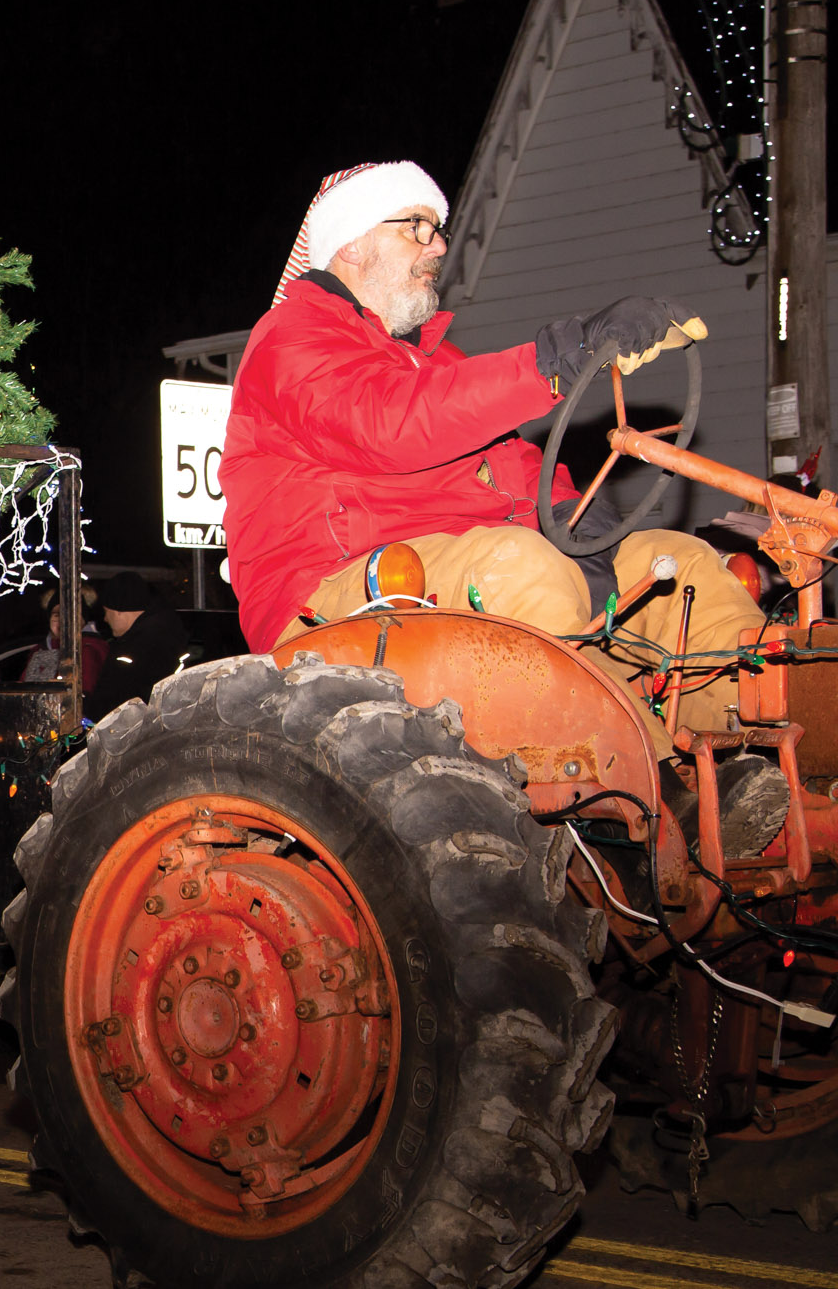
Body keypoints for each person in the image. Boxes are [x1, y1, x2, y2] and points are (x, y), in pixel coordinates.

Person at [221, 161, 779, 842]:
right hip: (329, 589)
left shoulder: (437, 360)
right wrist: (560, 356)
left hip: (458, 562)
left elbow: (517, 473)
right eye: (418, 228)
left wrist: (584, 524)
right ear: (353, 241)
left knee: (680, 564)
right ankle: (650, 805)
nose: (438, 248)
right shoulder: (291, 337)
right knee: (521, 569)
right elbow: (393, 424)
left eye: (441, 231)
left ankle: (754, 765)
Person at [86, 573, 189, 722]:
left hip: (137, 734)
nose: (105, 619)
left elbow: (114, 699)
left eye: (107, 612)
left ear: (119, 609)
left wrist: (89, 708)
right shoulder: (165, 635)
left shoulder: (135, 648)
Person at [20, 585, 108, 693]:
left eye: (69, 615)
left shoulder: (87, 650)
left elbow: (81, 695)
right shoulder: (38, 651)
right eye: (56, 615)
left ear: (82, 620)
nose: (62, 620)